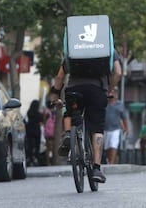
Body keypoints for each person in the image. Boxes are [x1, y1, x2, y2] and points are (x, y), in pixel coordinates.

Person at [50, 51, 122, 183]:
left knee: (70, 112)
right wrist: (109, 89)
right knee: (97, 128)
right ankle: (96, 168)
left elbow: (60, 76)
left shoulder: (74, 47)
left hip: (74, 89)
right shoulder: (107, 47)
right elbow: (118, 73)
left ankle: (68, 134)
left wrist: (55, 96)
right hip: (97, 90)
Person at [103, 86, 128, 164]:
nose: (113, 93)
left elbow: (124, 117)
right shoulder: (104, 103)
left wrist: (126, 128)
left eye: (115, 91)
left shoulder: (120, 104)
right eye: (112, 91)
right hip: (105, 128)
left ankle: (112, 162)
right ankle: (108, 159)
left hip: (116, 128)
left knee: (113, 144)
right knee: (106, 146)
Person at [25, 100, 44, 166]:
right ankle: (36, 158)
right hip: (36, 130)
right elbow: (41, 122)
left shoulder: (29, 112)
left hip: (29, 129)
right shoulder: (39, 114)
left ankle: (30, 158)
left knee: (30, 145)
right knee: (37, 145)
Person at [43, 101, 56, 166]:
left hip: (47, 130)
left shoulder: (46, 111)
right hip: (54, 130)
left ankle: (48, 162)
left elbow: (44, 121)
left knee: (48, 147)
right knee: (53, 146)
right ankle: (53, 160)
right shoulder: (55, 112)